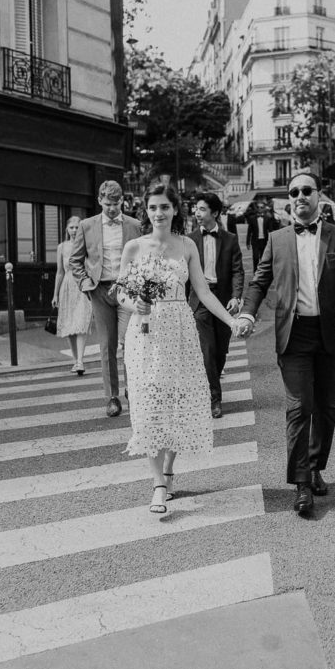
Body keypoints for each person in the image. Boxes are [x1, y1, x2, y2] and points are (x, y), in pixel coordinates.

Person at [235, 171, 335, 516]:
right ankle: (302, 484)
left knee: (325, 407)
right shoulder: (277, 240)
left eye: (307, 190)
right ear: (289, 199)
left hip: (331, 331)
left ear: (319, 196)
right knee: (299, 407)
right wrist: (248, 313)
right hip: (293, 335)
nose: (300, 196)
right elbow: (259, 282)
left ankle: (316, 466)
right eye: (294, 192)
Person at [118, 184, 239, 515]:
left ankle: (169, 469)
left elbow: (203, 291)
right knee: (147, 406)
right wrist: (136, 303)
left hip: (180, 331)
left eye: (165, 207)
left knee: (176, 405)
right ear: (146, 211)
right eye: (153, 207)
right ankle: (158, 484)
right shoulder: (134, 247)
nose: (159, 213)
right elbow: (121, 292)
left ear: (175, 210)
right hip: (144, 334)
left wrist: (231, 321)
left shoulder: (186, 246)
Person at [69, 180, 143, 417]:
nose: (112, 208)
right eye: (108, 203)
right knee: (107, 345)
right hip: (100, 290)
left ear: (122, 201)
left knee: (130, 342)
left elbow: (144, 256)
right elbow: (75, 260)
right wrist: (85, 285)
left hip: (127, 290)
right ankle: (112, 397)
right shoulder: (86, 225)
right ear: (100, 201)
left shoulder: (135, 225)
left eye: (116, 203)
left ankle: (132, 389)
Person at [189, 193, 245, 418]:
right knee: (208, 349)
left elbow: (237, 271)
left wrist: (236, 296)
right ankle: (215, 398)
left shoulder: (230, 239)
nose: (197, 213)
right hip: (200, 301)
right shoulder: (190, 239)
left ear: (214, 213)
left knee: (221, 350)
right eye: (196, 209)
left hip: (223, 301)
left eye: (201, 209)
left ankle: (212, 383)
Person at [52, 215, 94, 375]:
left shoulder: (87, 245)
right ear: (67, 230)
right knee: (70, 326)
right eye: (72, 227)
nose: (75, 230)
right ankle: (76, 361)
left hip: (82, 285)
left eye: (77, 227)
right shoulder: (61, 247)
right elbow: (59, 272)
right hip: (67, 287)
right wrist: (55, 294)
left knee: (81, 323)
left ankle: (80, 361)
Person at [245, 199, 280, 271]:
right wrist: (248, 243)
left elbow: (270, 231)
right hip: (255, 241)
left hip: (264, 241)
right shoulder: (252, 219)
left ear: (264, 208)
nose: (260, 209)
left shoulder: (267, 218)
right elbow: (249, 232)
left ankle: (263, 273)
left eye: (261, 207)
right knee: (255, 257)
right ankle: (255, 273)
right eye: (258, 207)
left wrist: (272, 242)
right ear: (256, 208)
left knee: (263, 258)